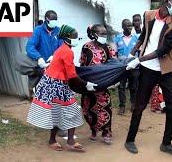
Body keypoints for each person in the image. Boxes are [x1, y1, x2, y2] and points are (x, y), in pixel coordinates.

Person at [124, 0, 172, 156]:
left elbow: (165, 49)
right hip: (148, 69)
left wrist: (139, 59)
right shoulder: (148, 15)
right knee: (140, 104)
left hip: (165, 69)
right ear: (164, 3)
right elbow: (143, 36)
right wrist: (132, 53)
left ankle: (166, 143)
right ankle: (130, 139)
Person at [26, 24, 97, 152]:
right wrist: (86, 84)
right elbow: (72, 75)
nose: (77, 39)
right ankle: (56, 140)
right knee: (61, 113)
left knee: (66, 112)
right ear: (67, 38)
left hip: (57, 84)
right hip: (55, 86)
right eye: (75, 37)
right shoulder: (67, 52)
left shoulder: (63, 49)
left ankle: (68, 141)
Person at [80, 24, 116, 145]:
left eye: (105, 34)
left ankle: (106, 132)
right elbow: (82, 65)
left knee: (105, 107)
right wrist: (83, 82)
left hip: (102, 84)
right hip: (89, 84)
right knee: (88, 109)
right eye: (101, 34)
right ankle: (93, 130)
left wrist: (113, 80)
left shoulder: (108, 48)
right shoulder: (86, 47)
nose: (104, 36)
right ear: (94, 34)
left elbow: (114, 64)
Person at [26, 10, 62, 93]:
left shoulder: (59, 31)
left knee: (55, 93)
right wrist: (38, 58)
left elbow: (62, 46)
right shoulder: (38, 30)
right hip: (41, 68)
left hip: (55, 68)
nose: (54, 22)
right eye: (53, 20)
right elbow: (30, 47)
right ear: (46, 19)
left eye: (56, 20)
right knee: (41, 94)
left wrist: (55, 56)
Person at [113, 19, 139, 115]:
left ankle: (133, 104)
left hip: (134, 67)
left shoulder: (136, 38)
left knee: (134, 86)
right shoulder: (117, 38)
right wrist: (117, 63)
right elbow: (114, 53)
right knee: (121, 87)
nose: (129, 27)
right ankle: (122, 106)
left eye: (130, 25)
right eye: (127, 26)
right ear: (122, 27)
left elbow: (140, 53)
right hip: (121, 68)